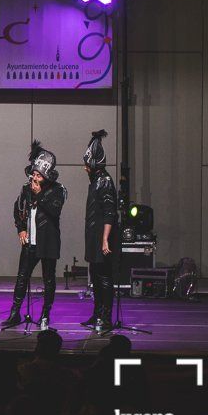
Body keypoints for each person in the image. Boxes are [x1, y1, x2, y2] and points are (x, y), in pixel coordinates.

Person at [2, 141, 67, 330]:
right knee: (22, 276)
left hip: (48, 242)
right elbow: (17, 209)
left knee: (48, 279)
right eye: (34, 174)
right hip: (30, 242)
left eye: (39, 175)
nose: (35, 178)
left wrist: (40, 195)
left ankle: (46, 315)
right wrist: (20, 228)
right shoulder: (26, 188)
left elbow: (55, 211)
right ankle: (15, 313)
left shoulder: (57, 190)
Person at [81, 130, 118, 332]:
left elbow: (109, 213)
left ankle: (105, 317)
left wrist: (105, 240)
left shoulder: (104, 181)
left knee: (104, 278)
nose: (84, 168)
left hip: (101, 238)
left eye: (87, 164)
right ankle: (96, 313)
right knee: (95, 277)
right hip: (93, 237)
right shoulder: (95, 180)